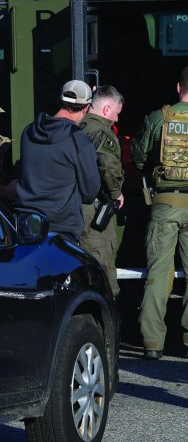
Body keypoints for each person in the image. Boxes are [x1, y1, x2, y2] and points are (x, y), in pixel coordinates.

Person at [132, 66, 188, 360]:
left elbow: (139, 157)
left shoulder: (160, 118)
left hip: (163, 204)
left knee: (158, 274)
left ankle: (152, 344)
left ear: (178, 87)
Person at [16, 80, 100, 239]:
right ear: (86, 108)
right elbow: (90, 193)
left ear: (59, 101)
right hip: (61, 230)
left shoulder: (29, 131)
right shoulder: (79, 140)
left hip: (25, 225)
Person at [79, 85, 125, 297]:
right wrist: (116, 193)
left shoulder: (76, 126)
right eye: (116, 113)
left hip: (72, 208)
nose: (116, 119)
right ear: (106, 109)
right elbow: (107, 164)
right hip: (94, 209)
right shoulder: (102, 131)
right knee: (102, 268)